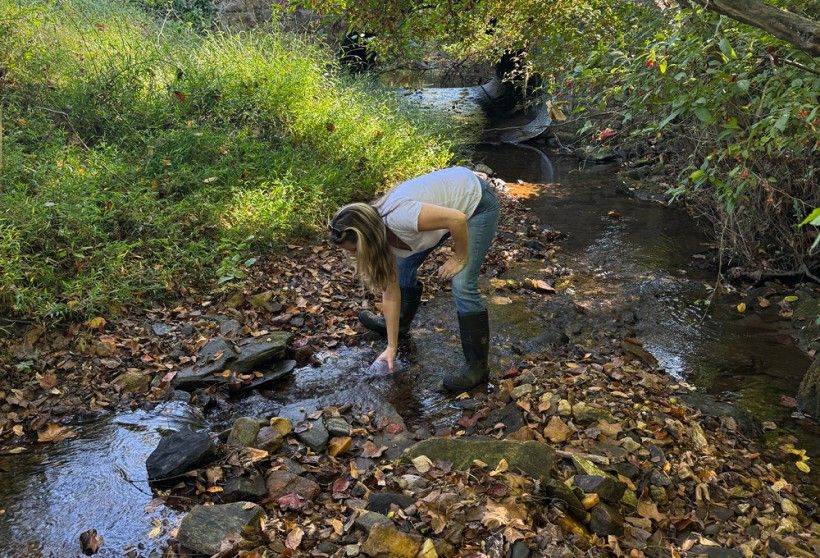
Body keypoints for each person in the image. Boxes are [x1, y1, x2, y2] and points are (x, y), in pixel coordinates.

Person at [328, 166, 500, 391]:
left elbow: (457, 219)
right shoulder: (379, 234)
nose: (353, 255)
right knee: (404, 264)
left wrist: (459, 257)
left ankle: (478, 368)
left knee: (462, 283)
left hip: (476, 204)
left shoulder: (401, 218)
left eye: (353, 250)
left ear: (367, 238)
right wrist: (391, 347)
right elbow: (390, 293)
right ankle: (400, 326)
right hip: (446, 209)